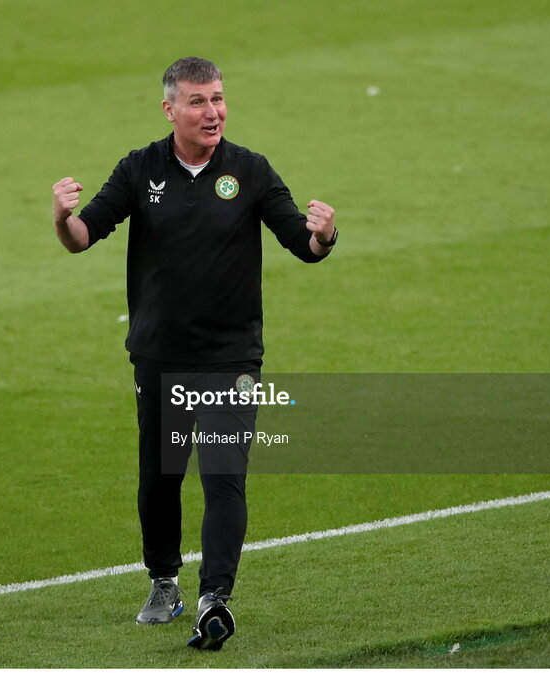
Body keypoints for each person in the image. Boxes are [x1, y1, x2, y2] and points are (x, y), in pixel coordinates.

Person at [51, 56, 337, 650]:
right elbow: (83, 238)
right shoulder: (139, 169)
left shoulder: (250, 171)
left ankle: (215, 597)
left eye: (219, 99)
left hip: (231, 359)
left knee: (225, 477)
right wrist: (61, 217)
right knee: (161, 476)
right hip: (158, 356)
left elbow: (300, 244)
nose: (214, 112)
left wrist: (322, 233)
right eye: (200, 102)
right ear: (171, 109)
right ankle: (163, 581)